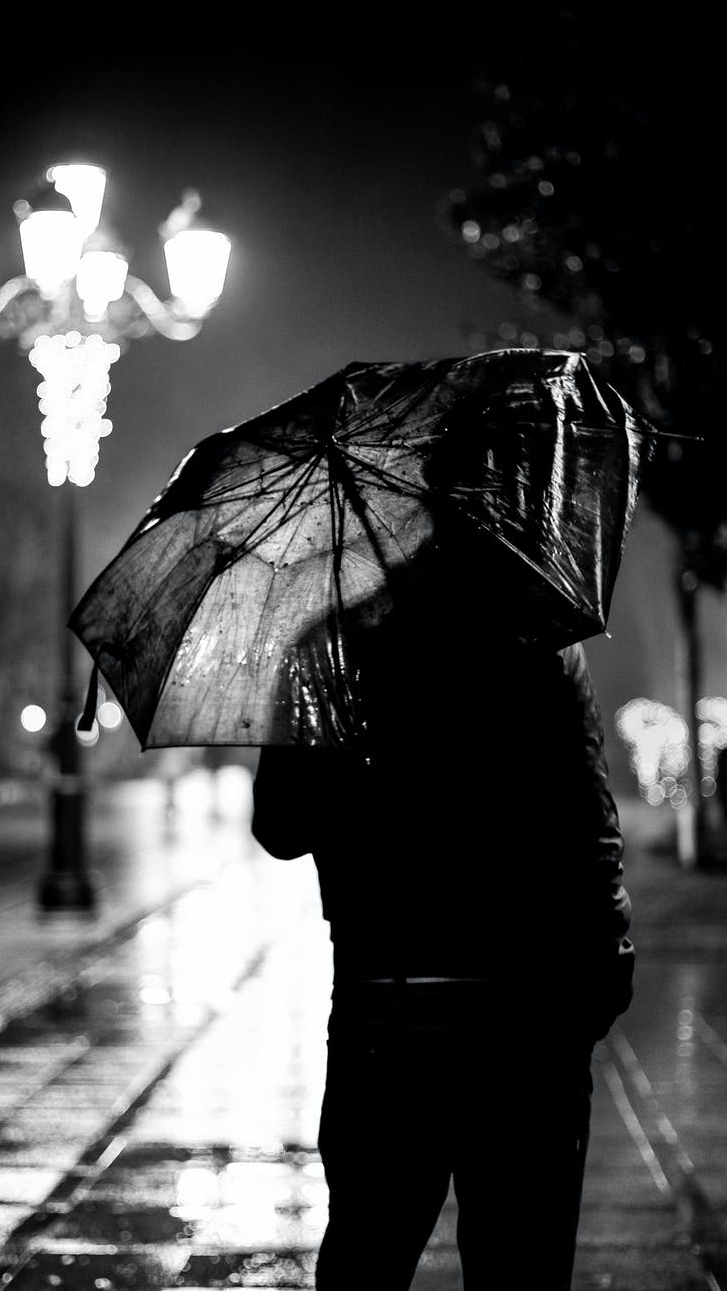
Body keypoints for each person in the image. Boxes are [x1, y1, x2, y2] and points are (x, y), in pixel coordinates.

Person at [251, 540, 634, 1289]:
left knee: (367, 1256)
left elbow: (280, 826)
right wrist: (605, 965)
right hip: (526, 1023)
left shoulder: (331, 649)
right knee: (520, 1267)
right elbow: (586, 822)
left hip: (384, 1024)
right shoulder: (538, 643)